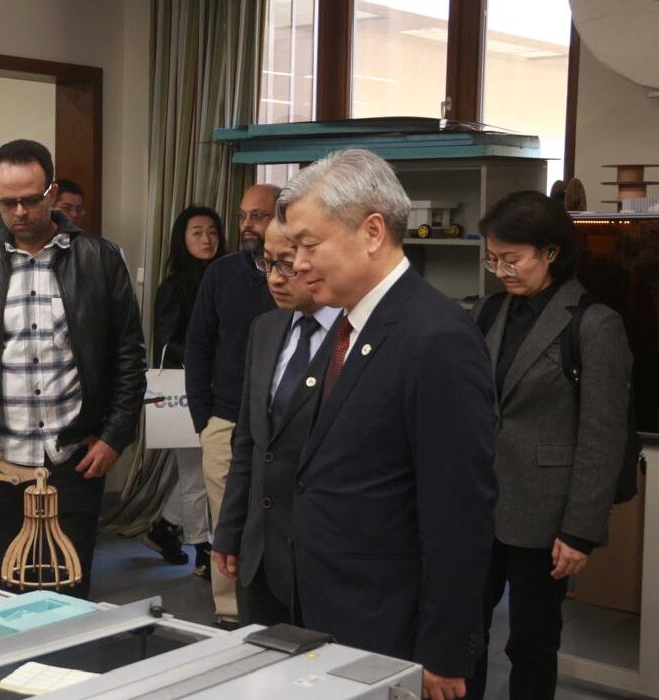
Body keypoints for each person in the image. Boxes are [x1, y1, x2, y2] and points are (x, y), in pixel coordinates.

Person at [278, 148, 497, 700]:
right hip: (335, 612)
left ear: (372, 232)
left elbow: (460, 511)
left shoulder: (436, 337)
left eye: (308, 245)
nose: (296, 263)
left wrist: (445, 649)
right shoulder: (348, 325)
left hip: (393, 626)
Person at [0, 139, 146, 599]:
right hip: (0, 462)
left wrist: (114, 436)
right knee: (10, 591)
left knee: (69, 593)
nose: (20, 212)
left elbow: (129, 358)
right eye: (8, 202)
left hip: (73, 461)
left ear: (52, 193)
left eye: (30, 199)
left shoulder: (100, 259)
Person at [467, 191, 633, 700]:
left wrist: (580, 531)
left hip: (545, 515)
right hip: (479, 504)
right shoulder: (489, 311)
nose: (501, 271)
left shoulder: (593, 323)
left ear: (550, 252)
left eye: (511, 259)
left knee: (532, 645)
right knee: (463, 632)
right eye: (492, 259)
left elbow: (602, 436)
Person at [211, 218, 340, 625]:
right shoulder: (266, 328)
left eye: (286, 264)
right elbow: (248, 441)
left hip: (324, 556)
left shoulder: (355, 336)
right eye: (266, 263)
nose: (275, 278)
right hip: (260, 553)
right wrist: (230, 532)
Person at [184, 186, 276, 624]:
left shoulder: (299, 275)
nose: (247, 226)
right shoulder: (221, 274)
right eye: (242, 216)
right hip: (224, 419)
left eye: (258, 216)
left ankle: (274, 608)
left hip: (278, 423)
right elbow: (198, 345)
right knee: (226, 519)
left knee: (275, 518)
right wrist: (203, 419)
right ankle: (229, 613)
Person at [144, 206, 228, 575]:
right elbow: (165, 344)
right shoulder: (174, 287)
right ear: (183, 238)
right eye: (197, 232)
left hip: (224, 389)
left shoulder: (230, 278)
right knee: (197, 474)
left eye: (212, 231)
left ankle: (165, 526)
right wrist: (208, 357)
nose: (207, 239)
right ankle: (202, 550)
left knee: (206, 469)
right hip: (189, 390)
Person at [236, 183, 279, 254]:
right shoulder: (225, 262)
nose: (246, 224)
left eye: (256, 215)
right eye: (242, 216)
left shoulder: (296, 260)